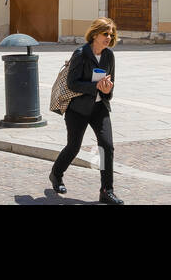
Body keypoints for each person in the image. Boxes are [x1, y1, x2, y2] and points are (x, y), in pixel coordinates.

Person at [50, 17, 123, 204]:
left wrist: (107, 90)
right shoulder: (81, 54)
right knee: (74, 146)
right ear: (95, 34)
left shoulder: (109, 56)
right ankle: (56, 174)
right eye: (105, 33)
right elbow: (71, 83)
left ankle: (107, 190)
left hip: (100, 108)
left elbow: (110, 83)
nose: (109, 37)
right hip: (78, 109)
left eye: (111, 34)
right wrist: (95, 87)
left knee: (107, 146)